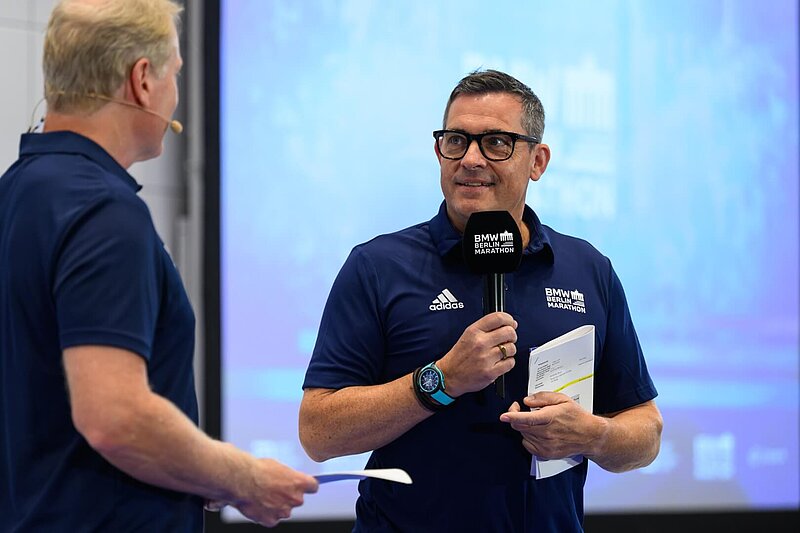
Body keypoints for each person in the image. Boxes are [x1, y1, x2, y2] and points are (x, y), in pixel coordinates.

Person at [299, 69, 663, 532]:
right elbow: (318, 432)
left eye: (496, 142)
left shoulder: (588, 269)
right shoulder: (377, 266)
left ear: (538, 161)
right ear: (439, 151)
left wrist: (593, 434)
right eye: (456, 140)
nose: (470, 159)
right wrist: (441, 380)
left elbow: (646, 431)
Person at [0, 1, 317, 530]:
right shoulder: (105, 212)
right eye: (174, 73)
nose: (176, 94)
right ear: (143, 80)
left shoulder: (16, 191)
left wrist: (198, 472)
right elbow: (115, 418)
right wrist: (242, 478)